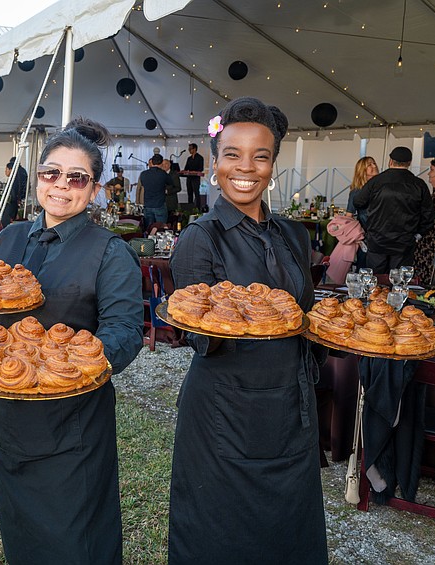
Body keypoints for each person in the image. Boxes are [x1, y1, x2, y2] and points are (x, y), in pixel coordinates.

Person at [168, 97, 328, 563]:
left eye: (260, 156)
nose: (246, 167)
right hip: (227, 412)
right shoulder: (202, 236)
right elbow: (198, 332)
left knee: (288, 529)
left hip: (293, 411)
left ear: (273, 164)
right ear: (214, 163)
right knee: (224, 534)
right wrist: (243, 317)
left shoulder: (294, 234)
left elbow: (307, 316)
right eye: (233, 154)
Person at [0, 118, 144, 564]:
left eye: (77, 178)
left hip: (71, 419)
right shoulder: (12, 236)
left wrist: (68, 365)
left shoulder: (110, 251)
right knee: (20, 526)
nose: (61, 186)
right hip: (7, 408)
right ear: (38, 177)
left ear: (93, 189)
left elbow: (125, 332)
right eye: (51, 173)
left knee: (76, 535)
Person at [352, 146, 435, 274]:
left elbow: (358, 202)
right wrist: (418, 234)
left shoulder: (376, 181)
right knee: (399, 283)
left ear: (390, 161)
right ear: (409, 163)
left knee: (375, 281)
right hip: (405, 243)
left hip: (377, 240)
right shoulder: (419, 184)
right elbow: (428, 215)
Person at [138, 153, 173, 228]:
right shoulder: (163, 174)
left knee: (149, 229)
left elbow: (143, 184)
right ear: (161, 163)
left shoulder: (143, 174)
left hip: (147, 205)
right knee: (160, 228)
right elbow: (171, 182)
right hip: (159, 204)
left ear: (152, 162)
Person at [345, 156, 379, 231]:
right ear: (362, 170)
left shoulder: (382, 187)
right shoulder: (356, 191)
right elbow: (349, 215)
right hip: (367, 232)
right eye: (370, 165)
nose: (374, 166)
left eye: (374, 163)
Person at [0, 157, 28, 227]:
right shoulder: (23, 171)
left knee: (7, 220)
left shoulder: (15, 175)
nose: (5, 172)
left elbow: (14, 191)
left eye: (6, 169)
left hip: (12, 202)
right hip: (19, 198)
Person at [183, 142, 204, 210]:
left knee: (196, 193)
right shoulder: (189, 158)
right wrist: (185, 171)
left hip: (195, 178)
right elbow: (186, 168)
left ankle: (198, 208)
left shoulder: (200, 157)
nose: (189, 150)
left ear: (195, 149)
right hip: (189, 177)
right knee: (189, 193)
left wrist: (194, 171)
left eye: (190, 149)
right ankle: (190, 208)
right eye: (189, 149)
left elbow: (201, 168)